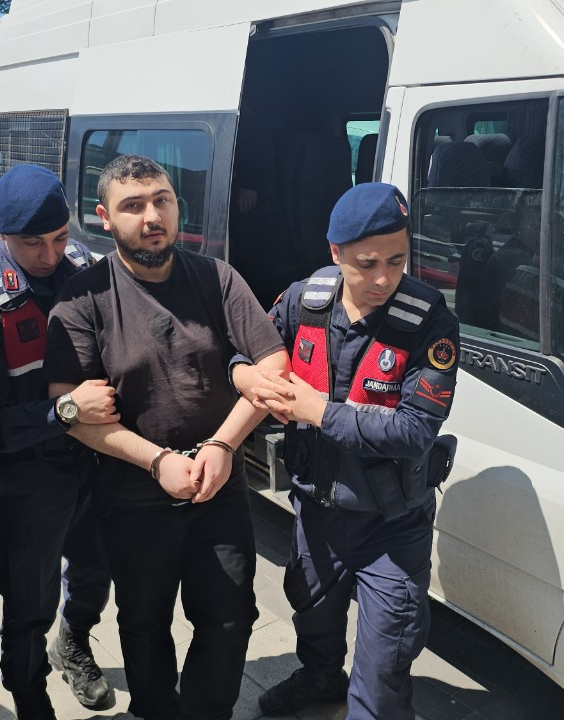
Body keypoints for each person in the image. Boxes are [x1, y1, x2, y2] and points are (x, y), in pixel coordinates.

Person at [44, 154, 289, 720]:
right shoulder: (83, 298)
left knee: (230, 619)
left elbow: (274, 366)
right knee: (144, 622)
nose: (152, 216)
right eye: (133, 205)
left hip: (218, 489)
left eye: (162, 200)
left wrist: (222, 446)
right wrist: (157, 462)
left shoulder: (217, 277)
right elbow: (75, 410)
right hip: (132, 499)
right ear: (104, 217)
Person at [233, 182, 460, 719]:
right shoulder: (302, 301)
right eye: (366, 264)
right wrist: (245, 376)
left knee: (383, 669)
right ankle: (319, 680)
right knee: (311, 615)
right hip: (316, 510)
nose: (383, 278)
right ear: (335, 253)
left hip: (392, 523)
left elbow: (415, 432)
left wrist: (318, 411)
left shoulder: (430, 321)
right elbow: (247, 351)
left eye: (397, 260)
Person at [0, 164, 117, 719]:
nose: (49, 255)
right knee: (27, 606)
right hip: (29, 477)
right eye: (31, 244)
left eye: (60, 238)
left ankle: (74, 644)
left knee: (95, 573)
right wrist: (66, 411)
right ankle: (30, 697)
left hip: (97, 461)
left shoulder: (84, 267)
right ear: (2, 236)